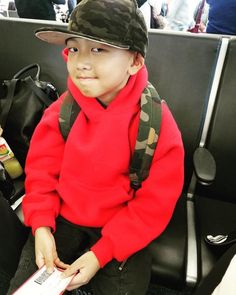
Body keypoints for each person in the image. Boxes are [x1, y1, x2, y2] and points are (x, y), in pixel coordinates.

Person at [7, 0, 184, 294]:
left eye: (99, 49)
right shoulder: (62, 113)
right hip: (62, 220)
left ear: (135, 62)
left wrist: (101, 254)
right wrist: (41, 226)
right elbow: (41, 175)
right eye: (74, 48)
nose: (81, 62)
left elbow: (153, 205)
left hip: (122, 228)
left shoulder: (155, 125)